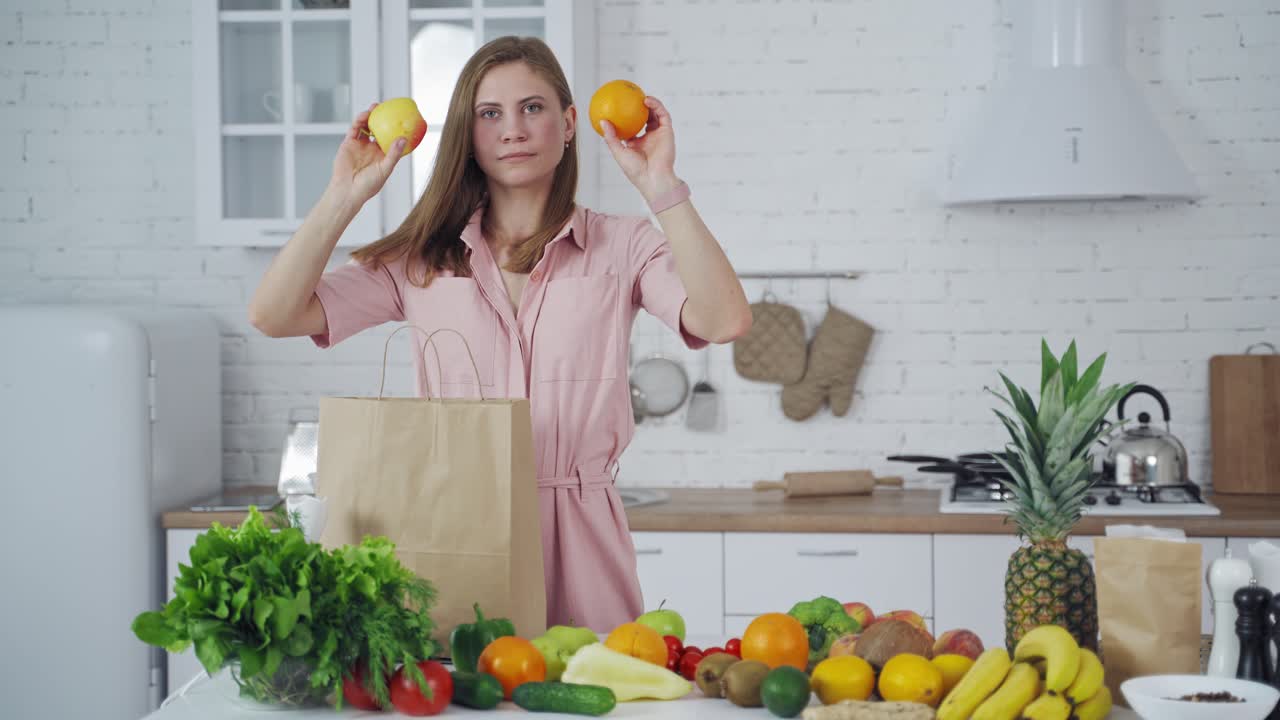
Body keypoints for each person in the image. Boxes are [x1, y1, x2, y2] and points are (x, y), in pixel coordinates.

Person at [247, 36, 752, 632]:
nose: (513, 129)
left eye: (532, 108)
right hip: (457, 528)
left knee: (594, 692)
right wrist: (346, 193)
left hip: (581, 534)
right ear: (470, 133)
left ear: (568, 124)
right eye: (491, 114)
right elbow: (274, 314)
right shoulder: (422, 260)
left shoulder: (625, 245)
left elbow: (724, 320)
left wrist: (661, 185)